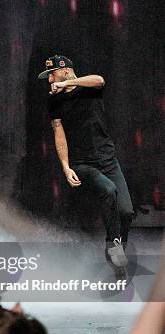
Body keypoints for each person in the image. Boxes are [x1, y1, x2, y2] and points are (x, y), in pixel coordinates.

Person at [39, 55, 133, 269]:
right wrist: (65, 166)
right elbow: (58, 132)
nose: (50, 81)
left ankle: (117, 250)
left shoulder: (89, 87)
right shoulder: (55, 100)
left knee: (126, 211)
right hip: (82, 163)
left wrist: (68, 83)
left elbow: (99, 80)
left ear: (64, 70)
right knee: (108, 190)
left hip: (107, 158)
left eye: (51, 75)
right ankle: (113, 245)